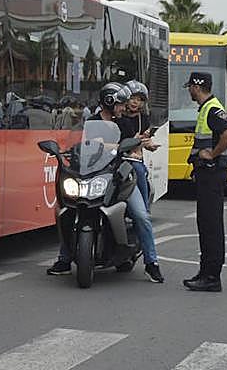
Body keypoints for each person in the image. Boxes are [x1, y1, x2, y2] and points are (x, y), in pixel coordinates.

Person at [47, 83, 165, 284]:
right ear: (109, 103)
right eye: (120, 104)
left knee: (141, 215)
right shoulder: (91, 121)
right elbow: (82, 147)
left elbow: (130, 147)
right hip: (95, 175)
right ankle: (64, 260)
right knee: (69, 210)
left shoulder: (124, 123)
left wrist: (123, 146)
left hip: (121, 175)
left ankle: (151, 263)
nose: (123, 107)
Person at [182, 71, 227, 292]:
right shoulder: (207, 108)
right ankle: (206, 272)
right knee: (206, 224)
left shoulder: (212, 109)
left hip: (212, 173)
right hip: (207, 174)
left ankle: (212, 276)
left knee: (211, 225)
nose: (189, 91)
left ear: (196, 87)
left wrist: (212, 155)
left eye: (190, 87)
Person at [120, 80, 160, 211]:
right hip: (117, 157)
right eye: (132, 98)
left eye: (139, 100)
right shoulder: (118, 117)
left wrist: (149, 144)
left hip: (135, 159)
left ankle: (144, 208)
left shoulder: (143, 119)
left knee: (140, 171)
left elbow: (143, 140)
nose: (135, 102)